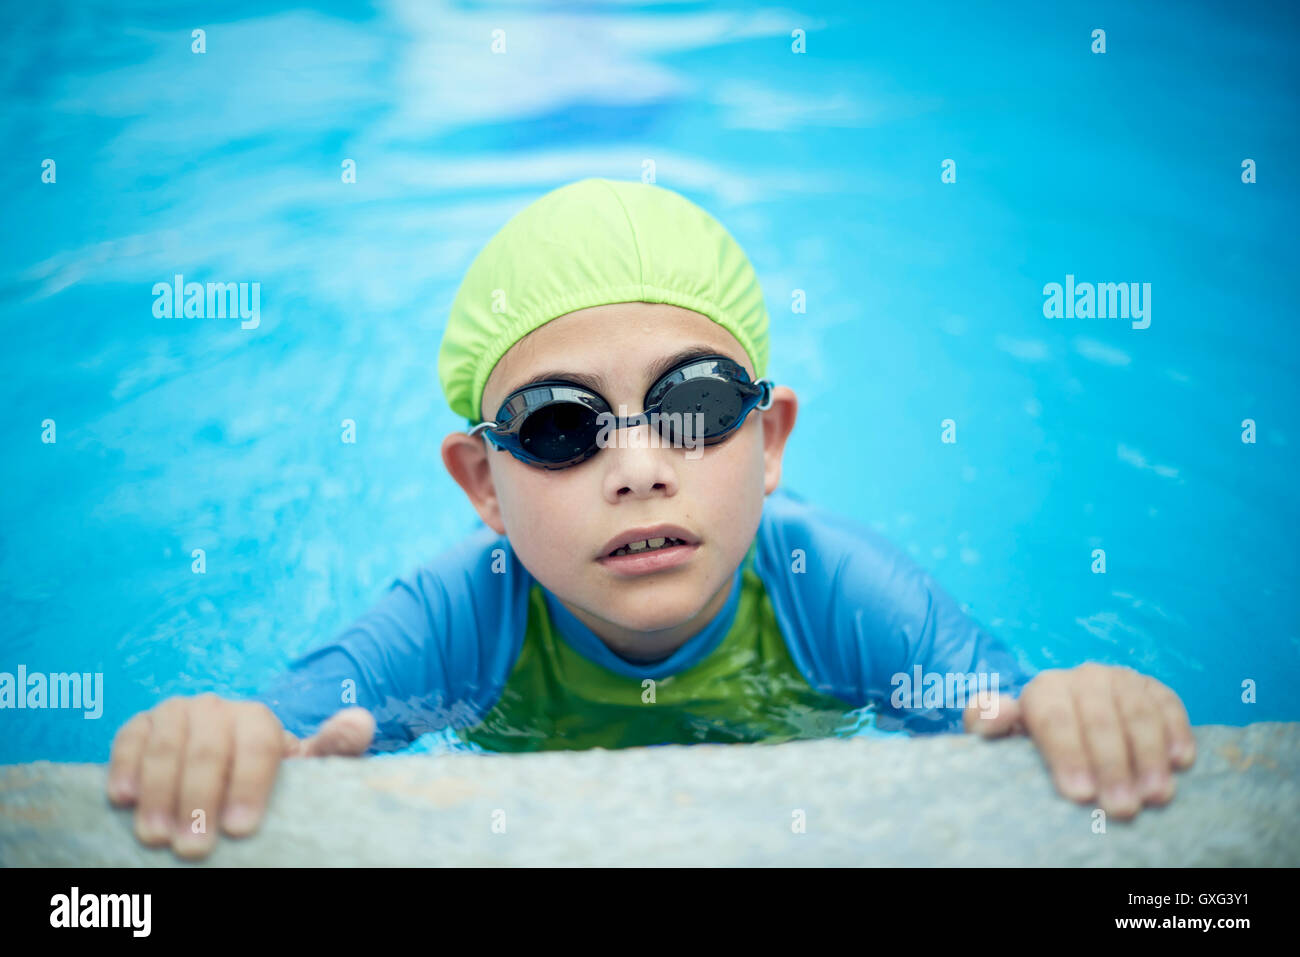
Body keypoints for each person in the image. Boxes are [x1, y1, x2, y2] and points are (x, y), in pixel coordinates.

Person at [106, 178, 1196, 859]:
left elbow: (1007, 717)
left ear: (768, 445)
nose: (636, 469)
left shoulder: (837, 592)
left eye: (696, 407)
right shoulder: (456, 617)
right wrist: (221, 736)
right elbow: (277, 733)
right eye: (557, 427)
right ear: (483, 487)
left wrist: (1078, 706)